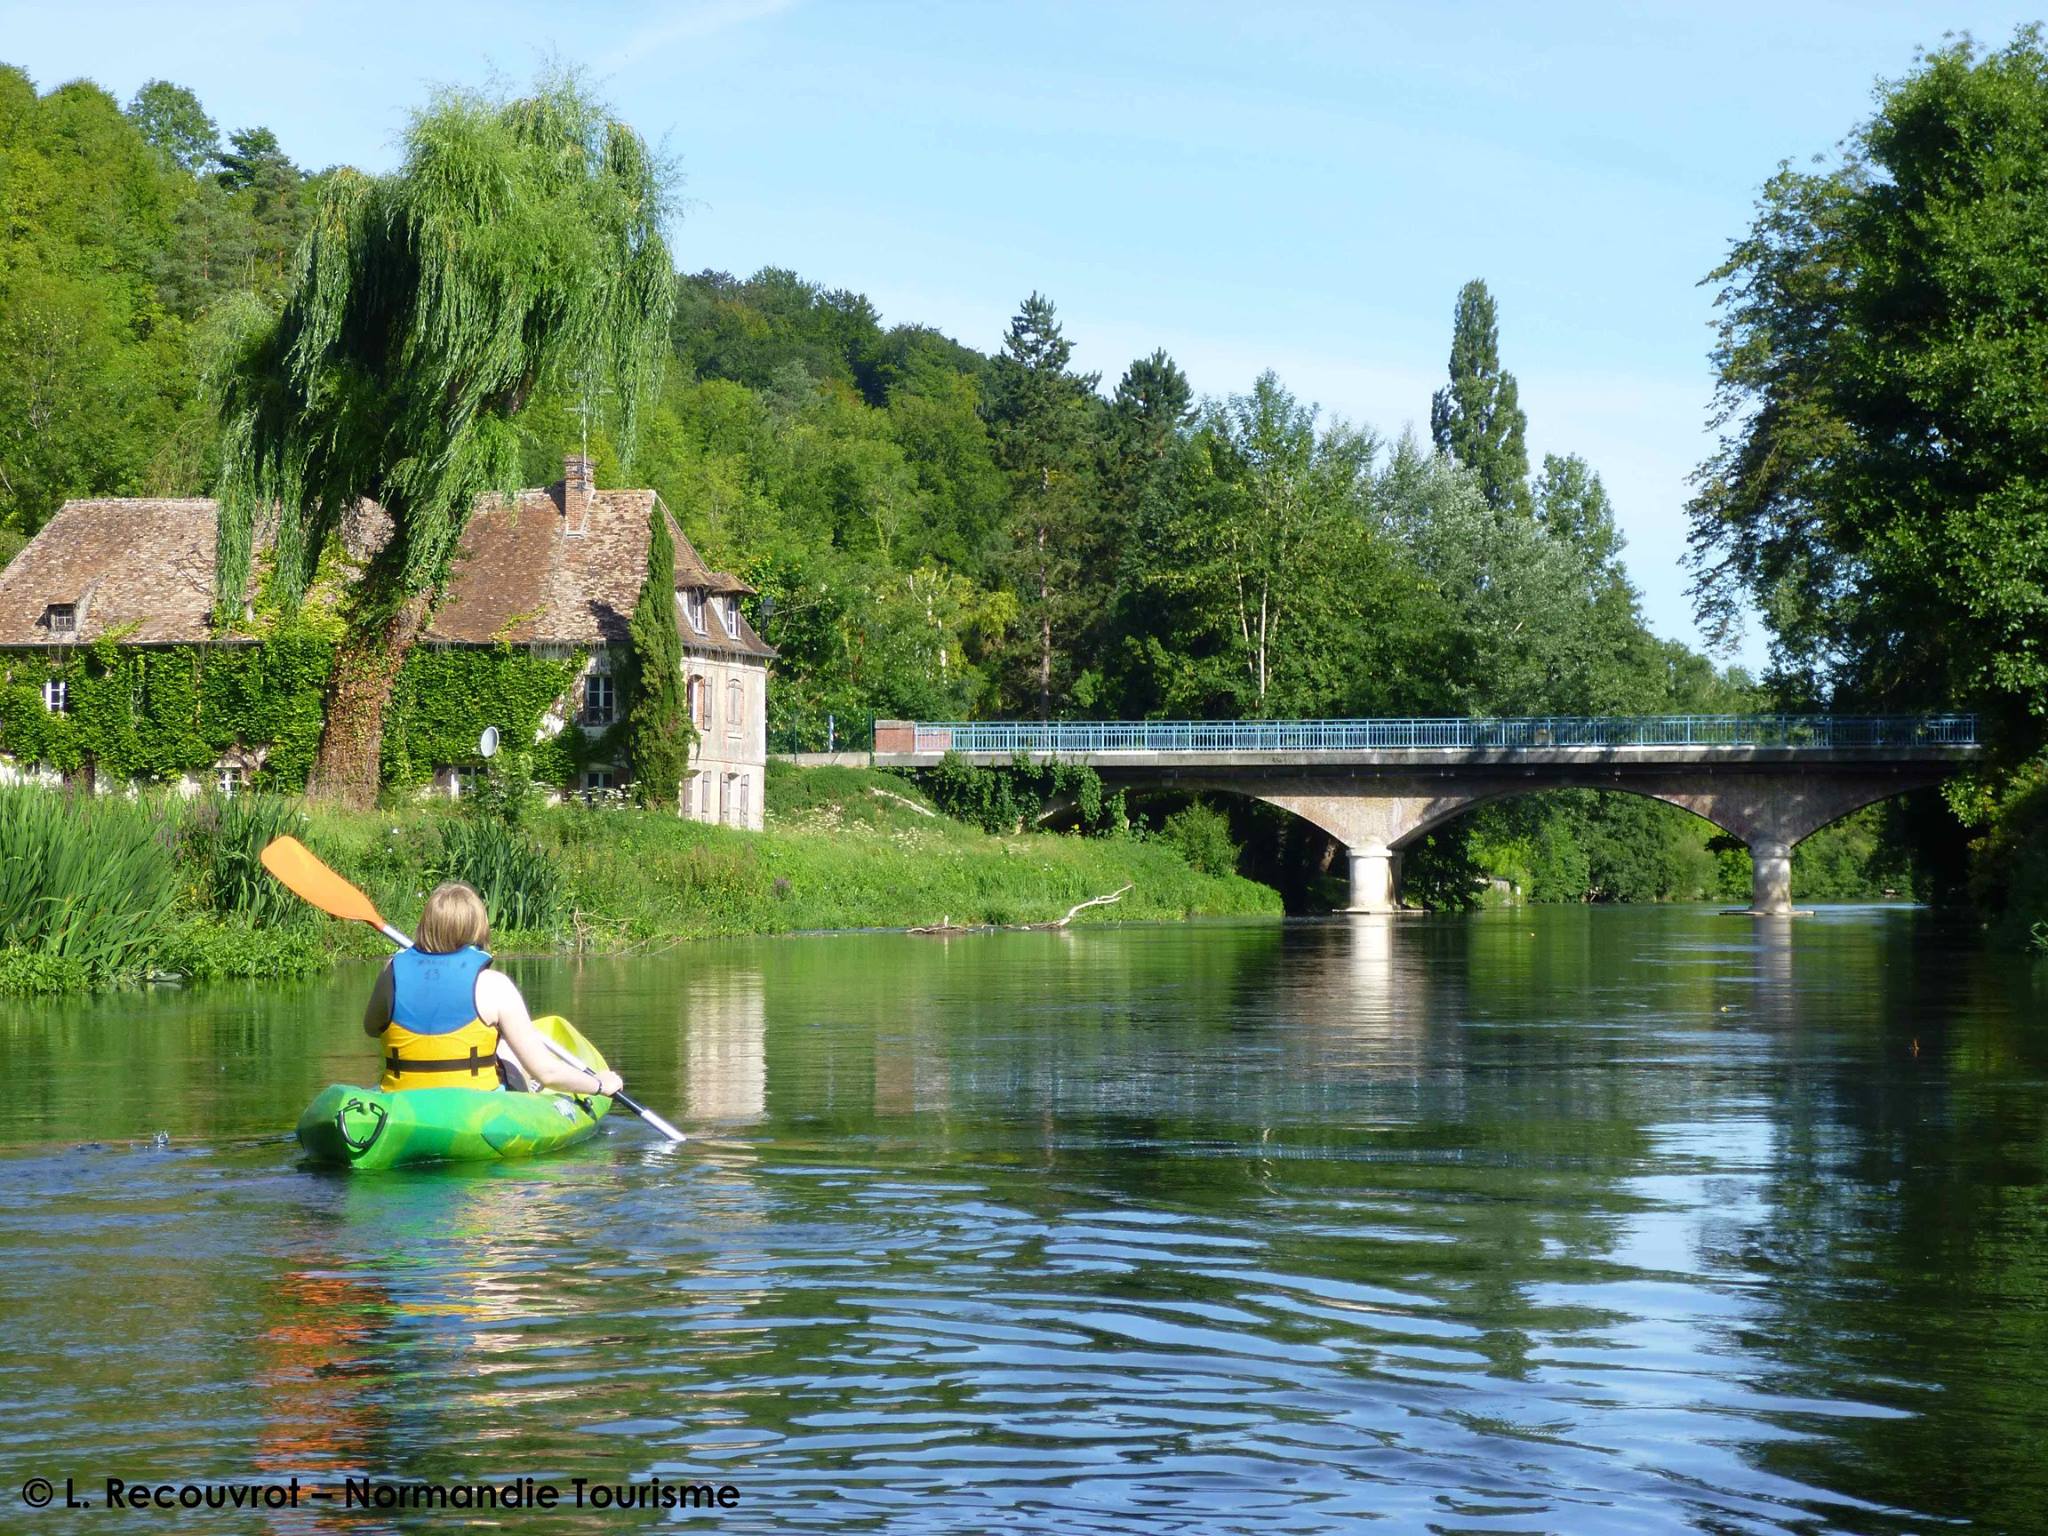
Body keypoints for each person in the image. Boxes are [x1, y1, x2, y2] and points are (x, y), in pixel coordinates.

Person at [363, 882, 623, 1098]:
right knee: (508, 1053)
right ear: (477, 927)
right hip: (477, 1107)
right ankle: (528, 1091)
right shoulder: (494, 985)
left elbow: (372, 1028)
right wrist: (599, 1084)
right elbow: (547, 1072)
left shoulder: (391, 973)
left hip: (404, 1099)